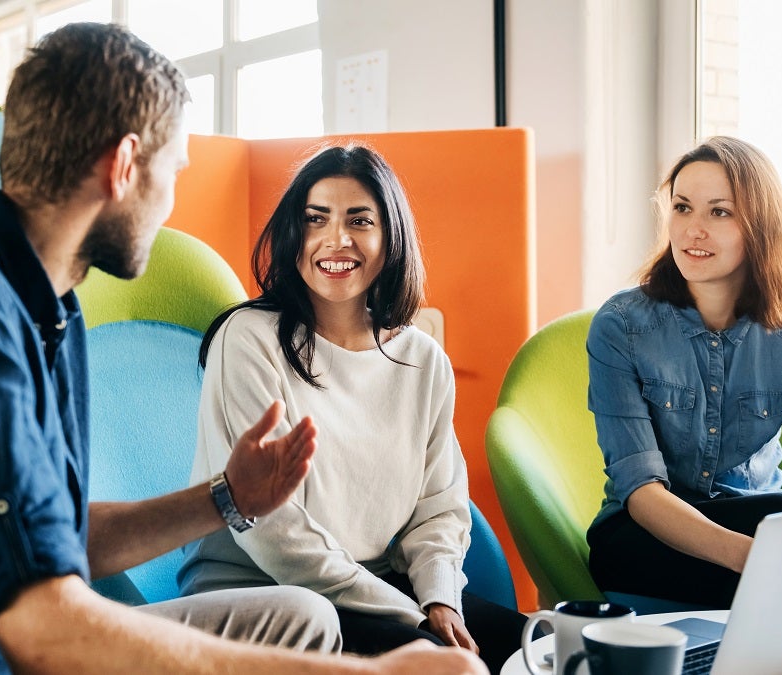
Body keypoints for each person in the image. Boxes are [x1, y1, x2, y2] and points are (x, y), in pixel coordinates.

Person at [0, 23, 485, 675]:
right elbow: (43, 632)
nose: (171, 198)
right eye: (173, 173)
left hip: (8, 632)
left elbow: (57, 539)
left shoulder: (48, 308)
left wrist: (227, 498)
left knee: (295, 616)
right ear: (123, 165)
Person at [177, 143, 528, 671]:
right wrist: (407, 612)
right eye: (315, 220)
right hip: (266, 594)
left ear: (391, 238)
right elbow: (272, 530)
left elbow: (440, 505)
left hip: (378, 586)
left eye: (359, 221)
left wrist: (438, 599)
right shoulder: (247, 339)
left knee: (544, 648)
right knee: (451, 666)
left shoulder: (421, 359)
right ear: (294, 235)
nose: (335, 240)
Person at [585, 135, 782, 609]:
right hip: (644, 536)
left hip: (761, 523)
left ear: (761, 226)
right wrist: (755, 558)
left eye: (718, 212)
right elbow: (640, 490)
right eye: (682, 208)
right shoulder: (621, 326)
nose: (692, 231)